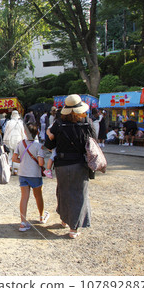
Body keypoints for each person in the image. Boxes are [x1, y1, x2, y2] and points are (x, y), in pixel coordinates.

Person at [45, 94, 95, 239]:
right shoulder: (87, 123)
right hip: (80, 163)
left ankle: (64, 219)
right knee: (79, 194)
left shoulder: (58, 124)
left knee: (63, 191)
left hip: (62, 164)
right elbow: (93, 143)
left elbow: (49, 146)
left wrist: (49, 134)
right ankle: (74, 228)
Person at [12, 123, 49, 232]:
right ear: (37, 133)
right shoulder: (39, 146)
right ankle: (41, 216)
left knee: (24, 197)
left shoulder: (20, 144)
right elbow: (41, 163)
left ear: (25, 132)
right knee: (38, 196)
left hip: (23, 173)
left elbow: (14, 158)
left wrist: (22, 161)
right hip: (34, 174)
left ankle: (23, 223)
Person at [3, 110, 27, 175]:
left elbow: (6, 132)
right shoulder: (20, 123)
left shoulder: (9, 122)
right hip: (18, 139)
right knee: (17, 154)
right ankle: (16, 169)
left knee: (10, 154)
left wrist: (4, 140)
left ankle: (9, 167)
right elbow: (23, 132)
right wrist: (24, 140)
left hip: (10, 139)